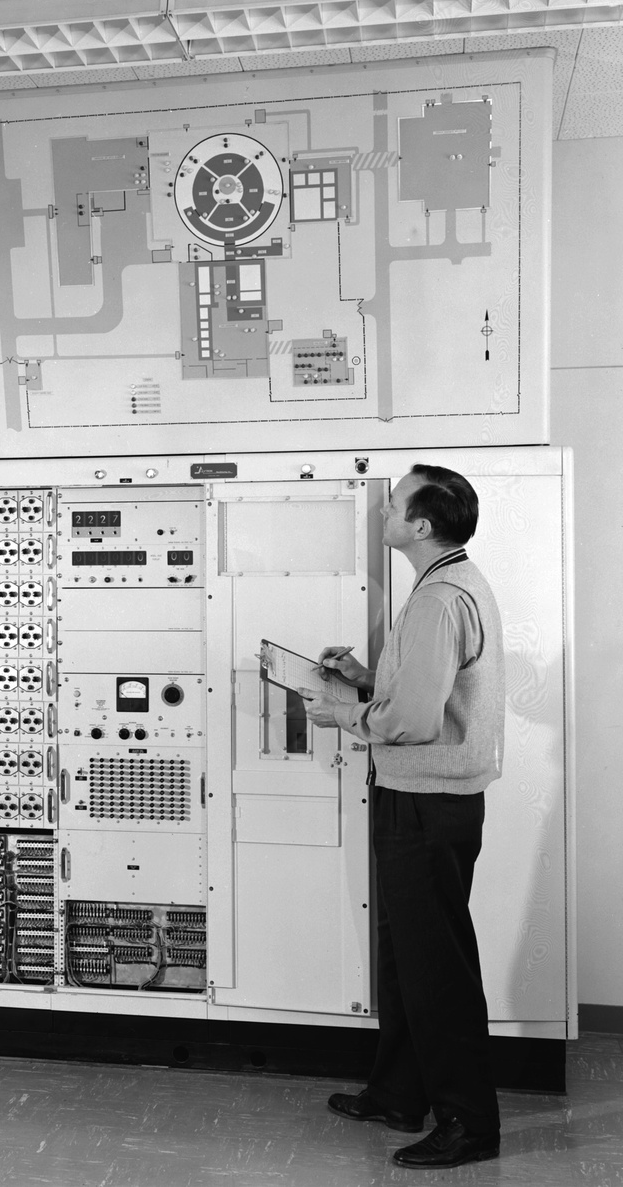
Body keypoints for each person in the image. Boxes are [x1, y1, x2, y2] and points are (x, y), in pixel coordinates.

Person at [297, 464, 504, 1170]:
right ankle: (397, 1092)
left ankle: (469, 1123)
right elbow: (427, 691)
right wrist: (365, 677)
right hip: (426, 800)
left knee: (435, 968)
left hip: (427, 803)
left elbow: (415, 721)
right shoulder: (447, 583)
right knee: (406, 957)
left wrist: (342, 713)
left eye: (395, 503)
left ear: (420, 525)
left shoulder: (440, 598)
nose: (383, 509)